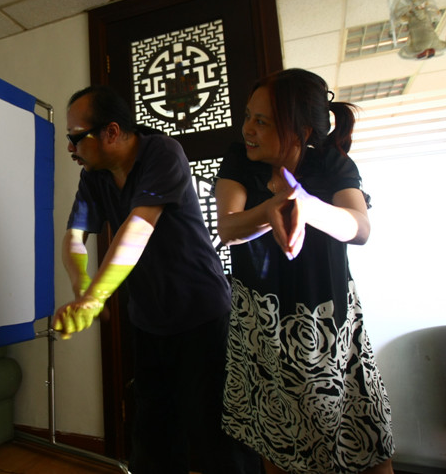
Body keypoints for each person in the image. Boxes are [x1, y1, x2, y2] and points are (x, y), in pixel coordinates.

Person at [53, 85, 260, 474]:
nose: (70, 147)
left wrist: (95, 298)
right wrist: (81, 291)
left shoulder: (162, 152)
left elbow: (138, 228)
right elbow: (75, 237)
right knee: (153, 441)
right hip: (149, 322)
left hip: (203, 317)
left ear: (111, 132)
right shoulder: (94, 176)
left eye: (76, 137)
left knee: (220, 441)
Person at [214, 68, 395, 474]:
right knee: (276, 442)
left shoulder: (331, 164)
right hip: (261, 322)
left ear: (302, 131)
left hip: (328, 321)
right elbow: (229, 229)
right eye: (248, 116)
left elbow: (360, 228)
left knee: (366, 441)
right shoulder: (239, 160)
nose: (248, 129)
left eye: (262, 121)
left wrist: (308, 206)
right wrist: (271, 209)